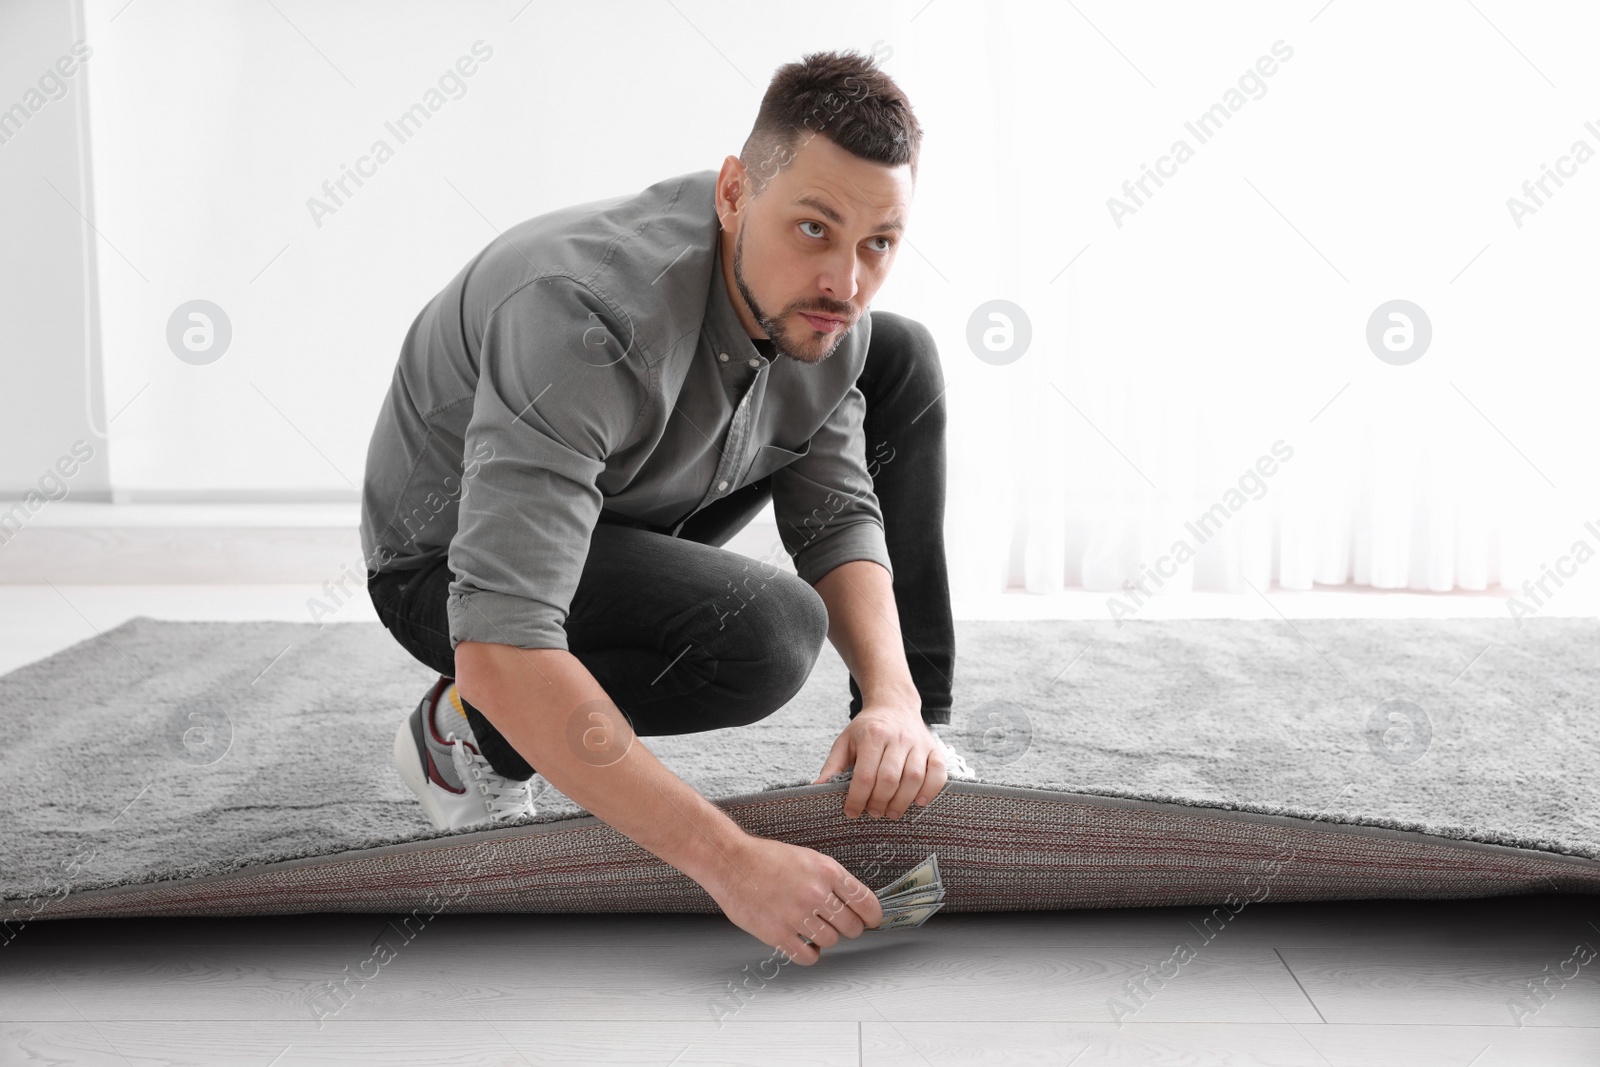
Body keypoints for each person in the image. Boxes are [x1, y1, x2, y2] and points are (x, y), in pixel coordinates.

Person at [361, 49, 967, 964]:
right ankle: (465, 734)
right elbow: (502, 642)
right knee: (764, 637)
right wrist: (730, 862)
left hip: (630, 501)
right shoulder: (581, 316)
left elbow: (835, 513)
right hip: (443, 566)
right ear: (734, 192)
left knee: (901, 357)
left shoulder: (824, 310)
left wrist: (892, 696)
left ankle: (915, 740)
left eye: (878, 242)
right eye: (814, 228)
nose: (847, 280)